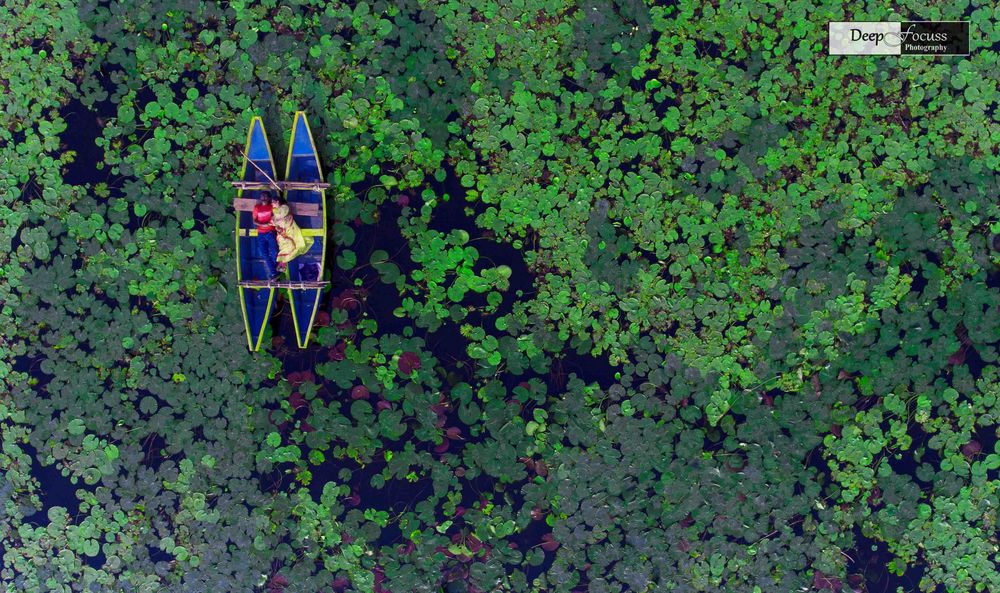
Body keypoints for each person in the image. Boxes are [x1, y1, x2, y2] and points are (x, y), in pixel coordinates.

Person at [272, 196, 313, 274]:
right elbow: (276, 220)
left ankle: (284, 258)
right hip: (284, 228)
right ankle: (284, 258)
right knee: (285, 243)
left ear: (277, 202)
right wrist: (276, 224)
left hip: (288, 227)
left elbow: (279, 220)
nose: (272, 204)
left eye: (273, 202)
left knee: (286, 243)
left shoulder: (284, 208)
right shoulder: (276, 210)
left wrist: (276, 223)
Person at [253, 191, 280, 281]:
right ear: (260, 198)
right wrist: (264, 225)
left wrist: (268, 224)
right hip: (261, 233)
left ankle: (274, 272)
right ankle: (274, 272)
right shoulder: (257, 208)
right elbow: (254, 221)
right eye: (262, 196)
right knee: (264, 254)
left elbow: (275, 218)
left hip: (270, 232)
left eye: (265, 196)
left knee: (275, 251)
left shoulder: (271, 207)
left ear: (269, 199)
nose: (263, 198)